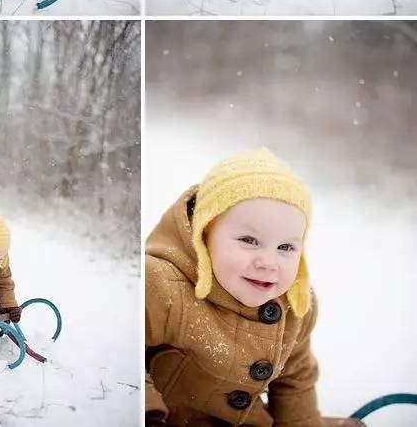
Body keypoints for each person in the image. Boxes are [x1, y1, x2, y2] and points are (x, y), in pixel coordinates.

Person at [146, 148, 361, 427]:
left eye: (286, 247)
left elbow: (295, 379)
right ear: (205, 235)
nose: (268, 262)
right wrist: (150, 413)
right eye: (249, 240)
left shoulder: (294, 308)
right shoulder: (163, 286)